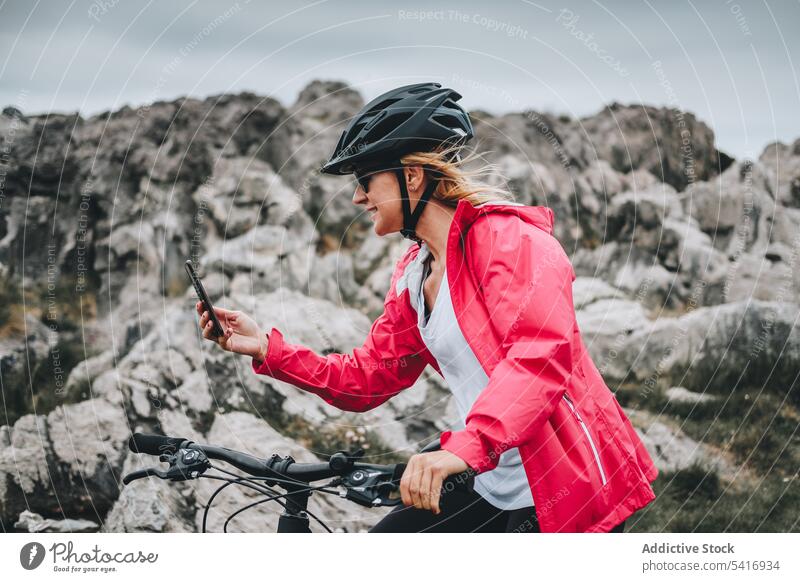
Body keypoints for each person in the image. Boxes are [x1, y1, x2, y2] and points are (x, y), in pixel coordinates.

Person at [196, 82, 658, 533]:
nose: (358, 197)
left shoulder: (514, 243)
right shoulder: (416, 274)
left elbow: (538, 360)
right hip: (487, 474)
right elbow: (370, 377)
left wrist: (465, 448)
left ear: (411, 176)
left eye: (365, 180)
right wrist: (265, 349)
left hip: (560, 485)